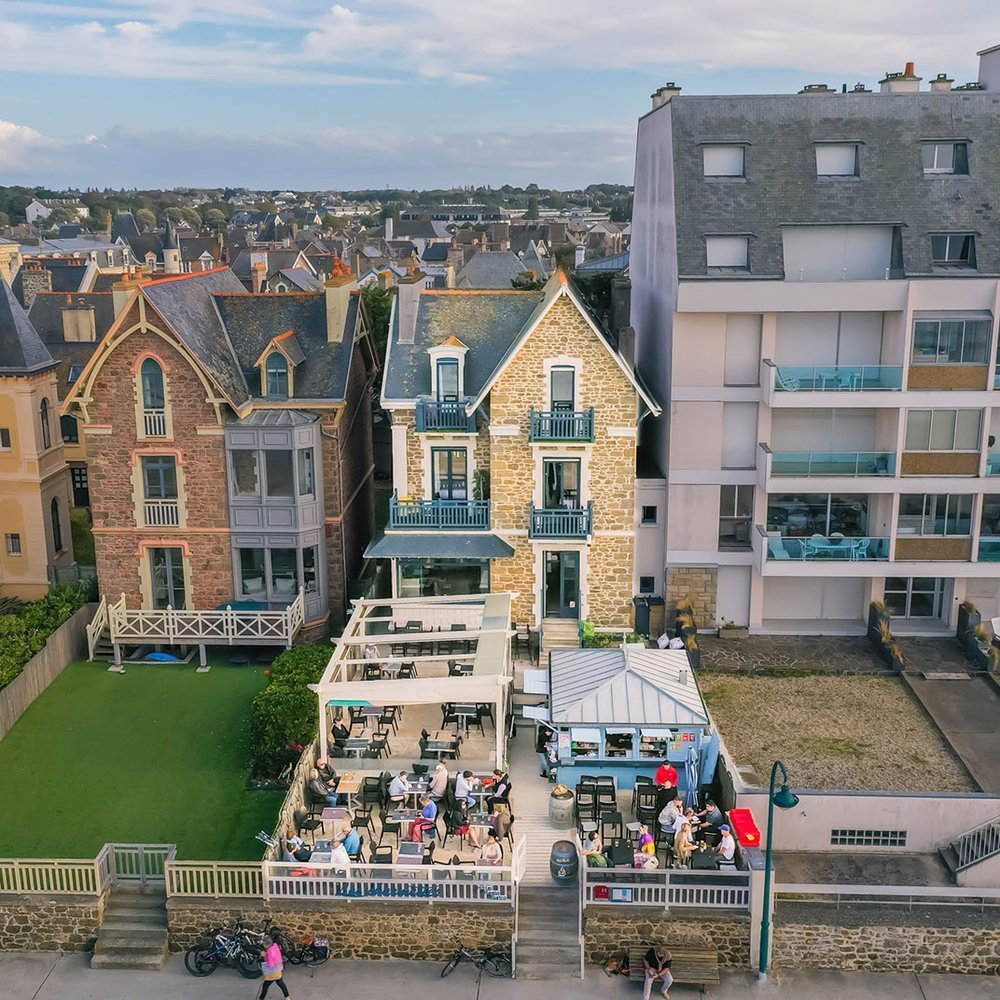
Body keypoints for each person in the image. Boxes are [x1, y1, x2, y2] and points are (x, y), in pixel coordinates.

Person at [258, 934, 289, 999]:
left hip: (272, 973)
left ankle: (261, 998)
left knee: (265, 986)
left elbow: (270, 965)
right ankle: (287, 997)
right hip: (278, 970)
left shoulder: (269, 953)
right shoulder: (275, 946)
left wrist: (264, 956)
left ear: (266, 945)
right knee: (281, 984)